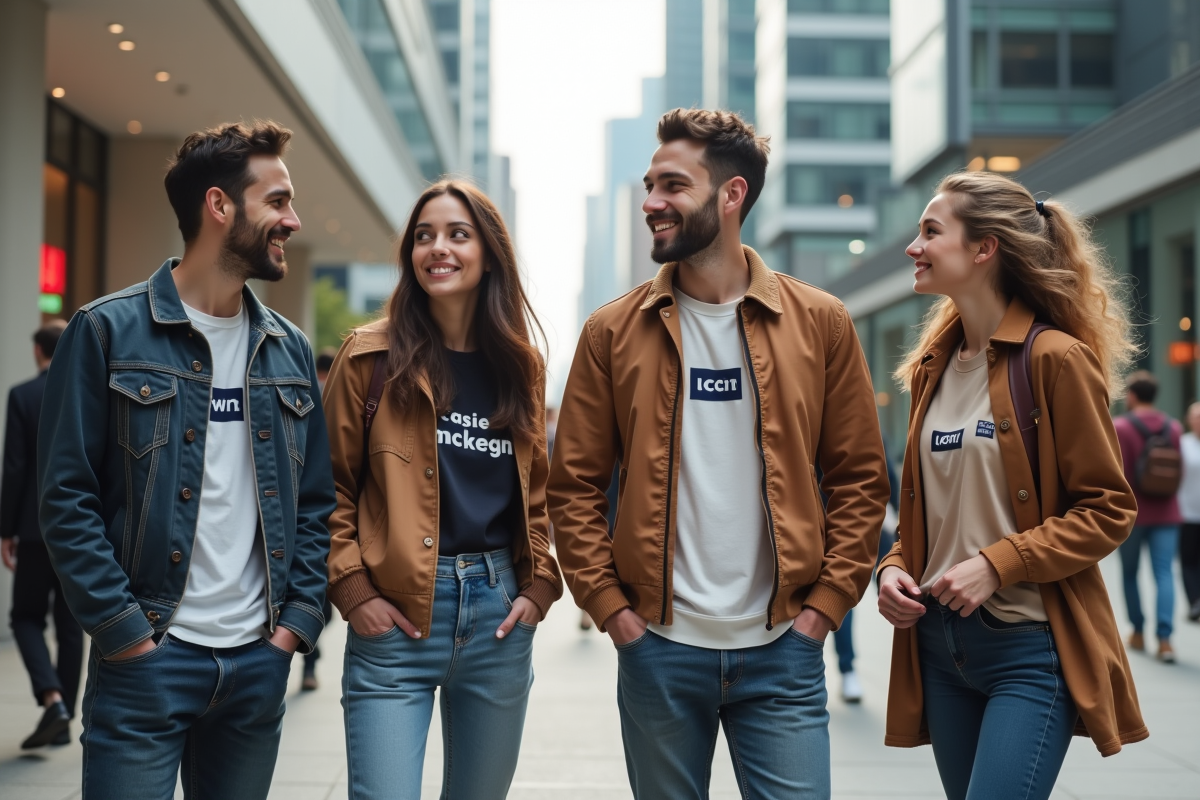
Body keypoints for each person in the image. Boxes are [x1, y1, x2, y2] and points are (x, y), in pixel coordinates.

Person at [549, 108, 890, 800]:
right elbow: (574, 486)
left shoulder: (821, 323)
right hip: (659, 651)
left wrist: (825, 606)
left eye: (672, 185)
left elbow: (859, 477)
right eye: (649, 185)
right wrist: (612, 608)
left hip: (784, 653)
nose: (651, 203)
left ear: (730, 196)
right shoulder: (611, 332)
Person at [37, 121, 335, 800]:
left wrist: (294, 629)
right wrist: (125, 636)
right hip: (147, 662)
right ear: (219, 206)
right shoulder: (106, 331)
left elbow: (318, 504)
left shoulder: (288, 349)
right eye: (278, 201)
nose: (291, 219)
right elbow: (65, 497)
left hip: (257, 664)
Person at [877, 171, 1145, 800]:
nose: (913, 248)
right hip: (939, 648)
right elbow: (929, 513)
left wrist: (998, 565)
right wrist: (891, 567)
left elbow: (1109, 508)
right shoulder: (931, 371)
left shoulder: (1054, 359)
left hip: (1027, 650)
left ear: (983, 248)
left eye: (930, 232)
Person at [322, 179, 562, 800]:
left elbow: (535, 494)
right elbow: (326, 489)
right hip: (395, 622)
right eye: (424, 236)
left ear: (489, 254)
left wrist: (538, 587)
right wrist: (353, 589)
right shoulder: (366, 357)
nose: (439, 248)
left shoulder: (522, 366)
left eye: (459, 234)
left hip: (496, 620)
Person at [2, 320, 83, 750]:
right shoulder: (84, 392)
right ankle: (65, 713)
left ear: (37, 351)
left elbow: (15, 468)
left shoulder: (23, 395)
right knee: (71, 624)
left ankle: (52, 699)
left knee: (25, 617)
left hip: (34, 529)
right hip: (79, 529)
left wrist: (6, 530)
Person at [1114, 370, 1183, 662]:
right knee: (1164, 573)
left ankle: (1139, 632)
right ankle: (1165, 640)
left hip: (1132, 515)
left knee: (1130, 574)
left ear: (1132, 395)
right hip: (1168, 512)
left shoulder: (1121, 427)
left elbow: (1117, 472)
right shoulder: (1175, 427)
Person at [301, 346, 339, 691]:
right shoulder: (339, 393)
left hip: (302, 500)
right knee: (317, 588)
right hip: (331, 507)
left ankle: (308, 659)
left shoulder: (306, 388)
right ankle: (310, 662)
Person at [1179, 401, 1200, 622]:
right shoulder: (1182, 443)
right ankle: (1195, 601)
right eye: (1195, 416)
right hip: (1186, 513)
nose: (1198, 420)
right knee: (1188, 560)